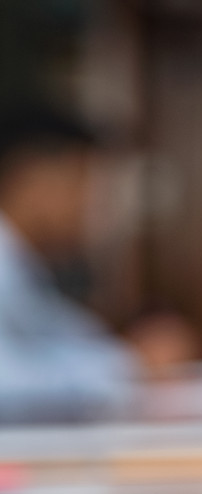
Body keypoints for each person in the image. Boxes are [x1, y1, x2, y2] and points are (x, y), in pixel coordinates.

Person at [0, 105, 139, 422]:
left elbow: (66, 336)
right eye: (83, 185)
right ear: (32, 179)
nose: (93, 208)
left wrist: (127, 359)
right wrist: (126, 369)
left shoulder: (23, 264)